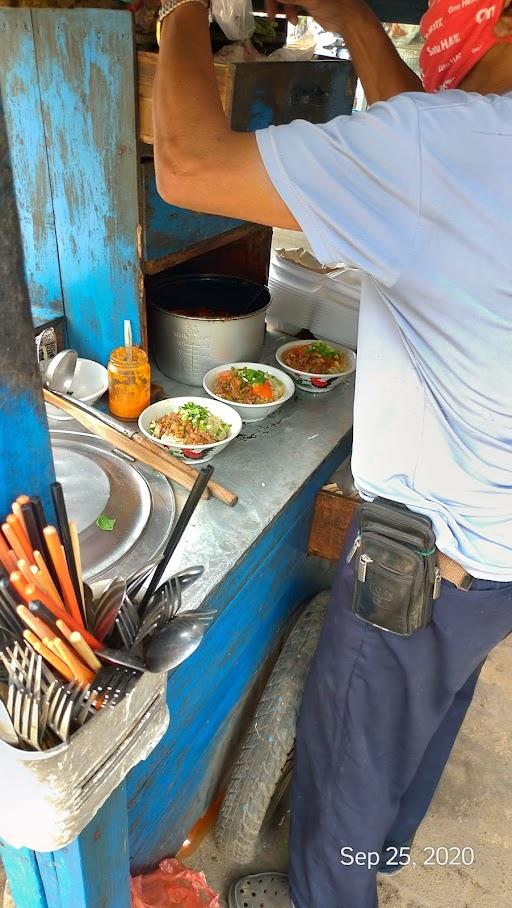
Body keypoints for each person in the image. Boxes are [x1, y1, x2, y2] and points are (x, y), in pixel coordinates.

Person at [153, 0, 512, 904]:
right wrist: (354, 21)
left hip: (424, 559)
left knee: (350, 754)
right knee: (429, 714)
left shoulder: (457, 149)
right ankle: (384, 862)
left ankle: (330, 891)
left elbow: (190, 165)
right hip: (497, 556)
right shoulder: (463, 144)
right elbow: (425, 132)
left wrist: (184, 18)